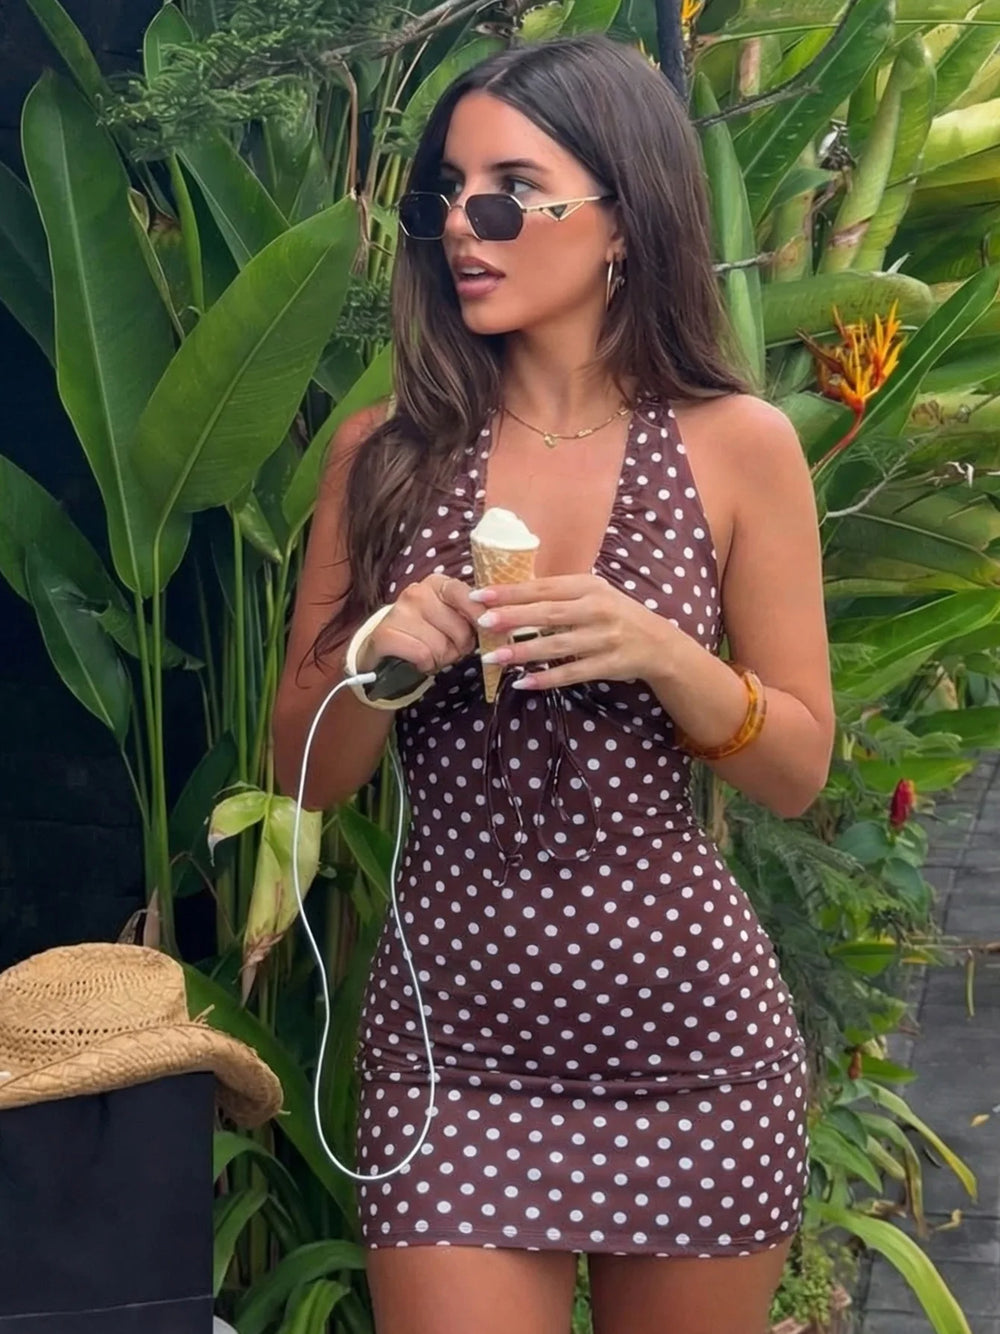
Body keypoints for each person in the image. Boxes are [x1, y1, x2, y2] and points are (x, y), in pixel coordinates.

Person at [273, 32, 834, 1334]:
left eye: (509, 194)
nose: (465, 226)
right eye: (447, 196)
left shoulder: (736, 448)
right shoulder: (384, 457)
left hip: (692, 1053)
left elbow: (798, 769)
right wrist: (382, 659)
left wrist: (669, 658)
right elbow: (298, 767)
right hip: (454, 1054)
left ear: (624, 220)